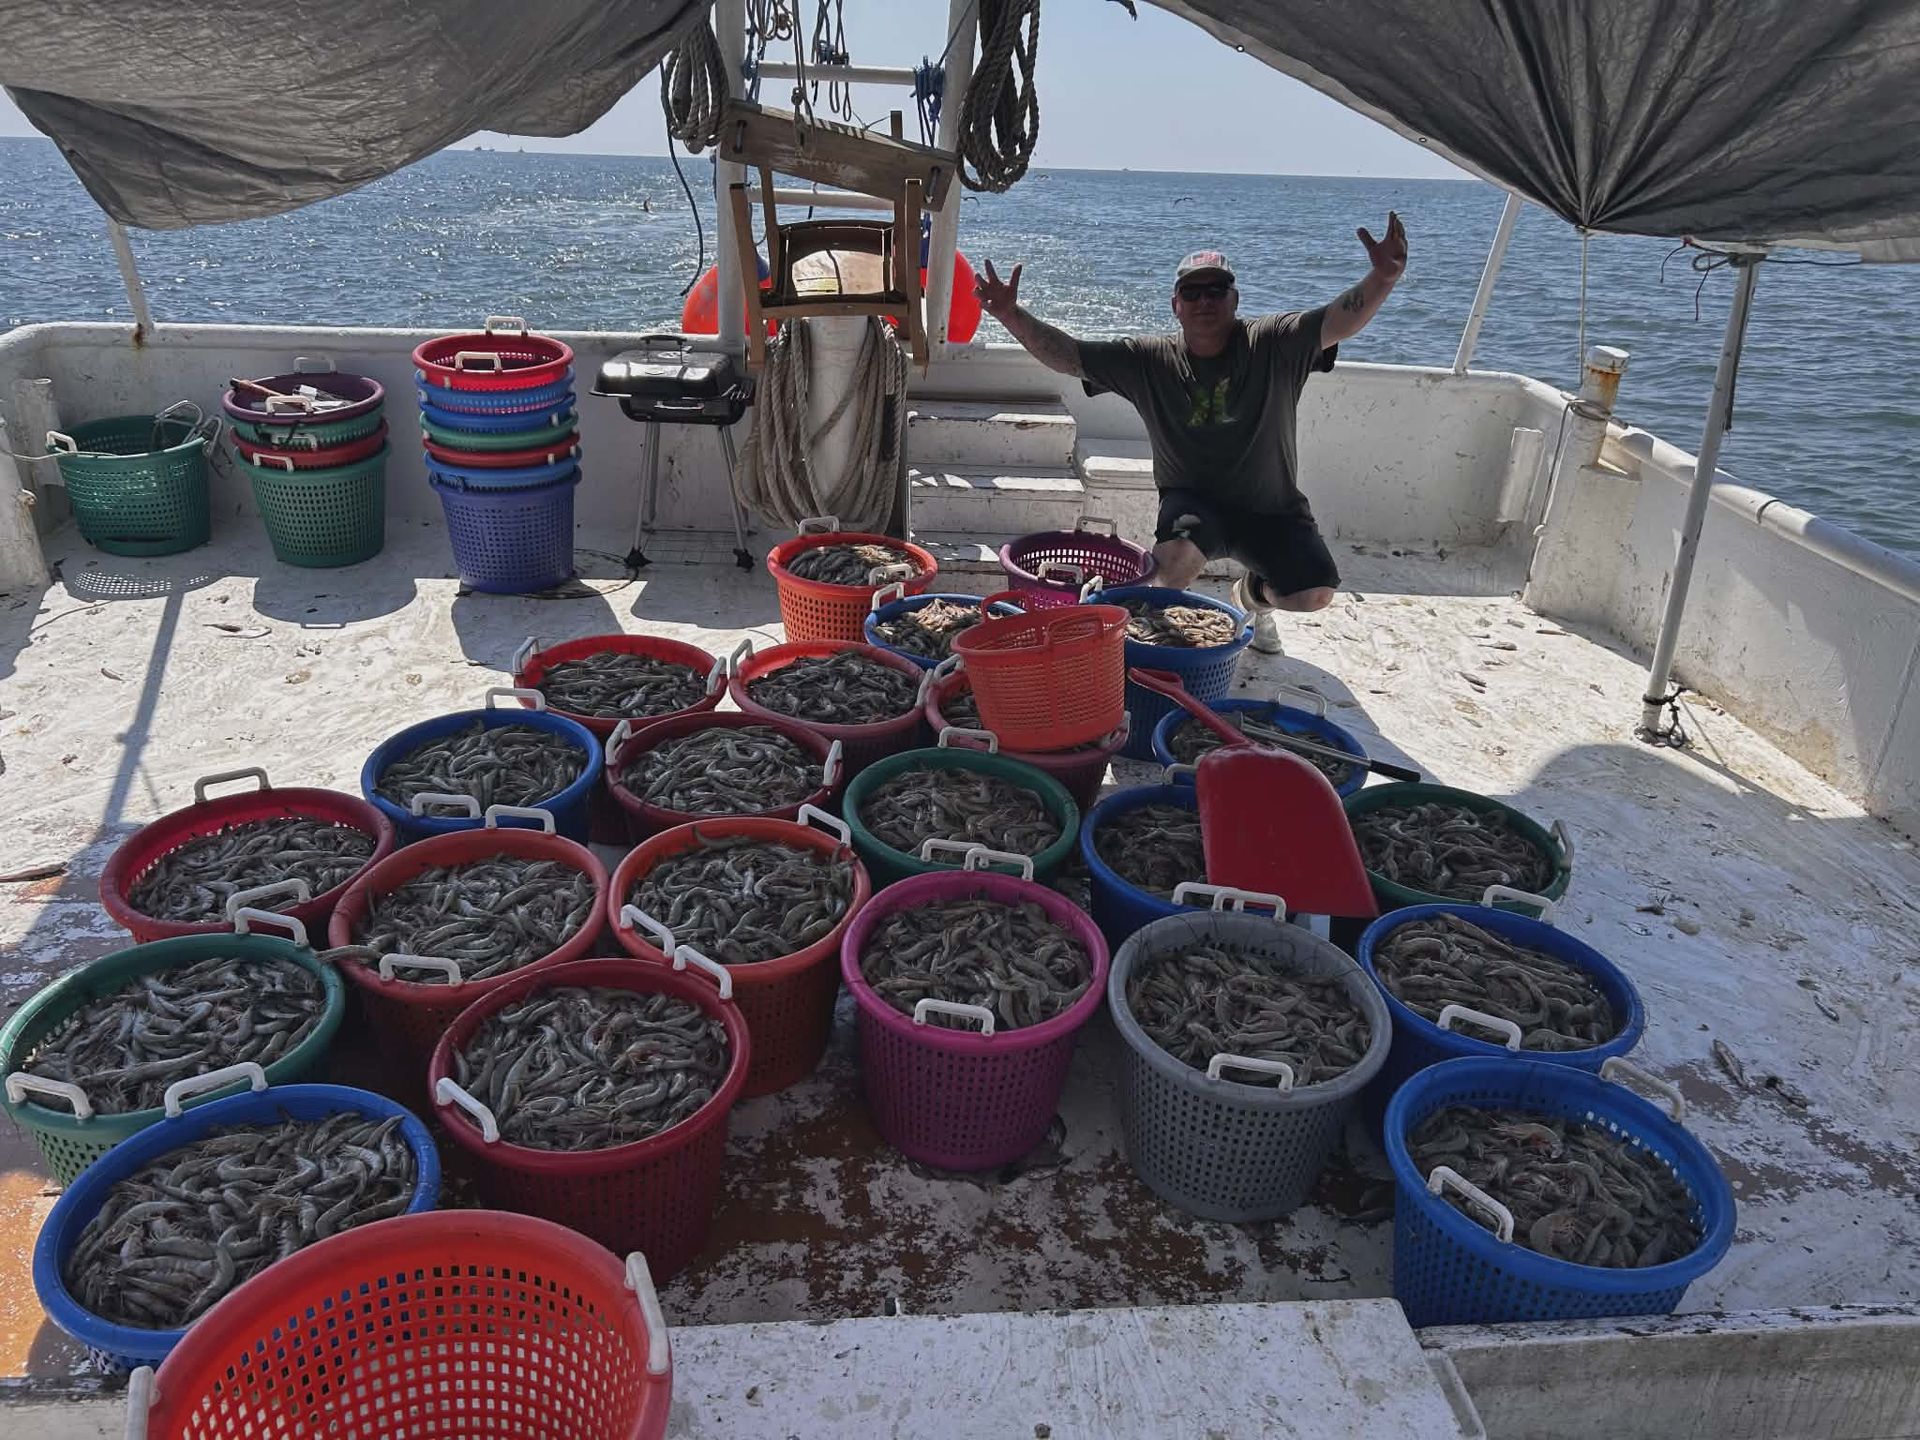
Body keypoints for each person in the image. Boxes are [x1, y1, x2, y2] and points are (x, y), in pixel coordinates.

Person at [973, 214, 1408, 652]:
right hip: (1193, 505)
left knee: (1313, 595)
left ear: (1235, 298)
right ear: (1175, 304)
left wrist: (1383, 277)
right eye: (1192, 292)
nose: (1205, 301)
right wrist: (1011, 314)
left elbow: (1338, 321)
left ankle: (1252, 595)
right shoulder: (1149, 361)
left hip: (1272, 509)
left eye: (1216, 290)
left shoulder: (1274, 343)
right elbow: (1069, 356)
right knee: (1167, 575)